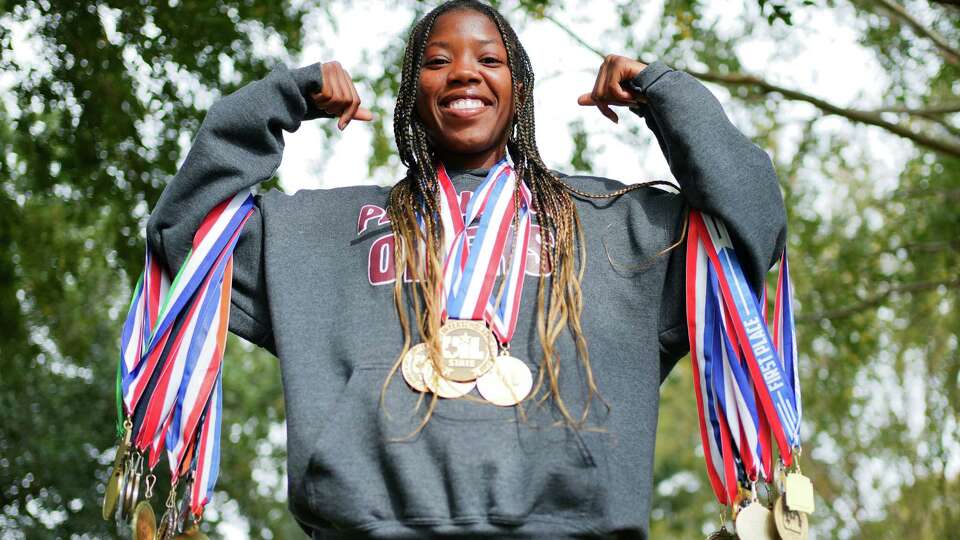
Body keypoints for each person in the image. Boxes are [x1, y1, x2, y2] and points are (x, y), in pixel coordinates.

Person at [145, 0, 786, 537]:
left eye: (489, 59)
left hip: (571, 526)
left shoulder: (618, 222)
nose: (463, 74)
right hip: (370, 524)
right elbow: (186, 235)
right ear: (412, 90)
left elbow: (754, 224)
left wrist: (666, 95)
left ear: (519, 89)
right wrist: (277, 100)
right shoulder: (321, 230)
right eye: (437, 60)